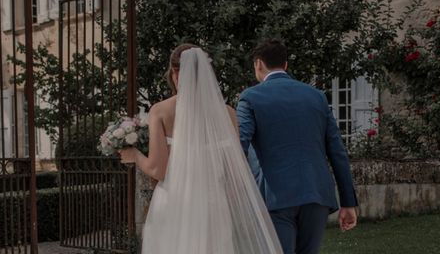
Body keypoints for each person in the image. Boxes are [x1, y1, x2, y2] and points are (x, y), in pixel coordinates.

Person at [119, 44, 282, 254]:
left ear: (176, 74)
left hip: (175, 205)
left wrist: (135, 155)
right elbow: (233, 170)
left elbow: (157, 169)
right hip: (215, 207)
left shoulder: (160, 112)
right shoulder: (229, 114)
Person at [237, 39, 358, 254]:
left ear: (258, 64)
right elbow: (337, 151)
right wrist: (348, 202)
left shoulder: (251, 97)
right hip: (316, 195)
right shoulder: (317, 97)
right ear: (285, 65)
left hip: (275, 196)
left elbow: (239, 145)